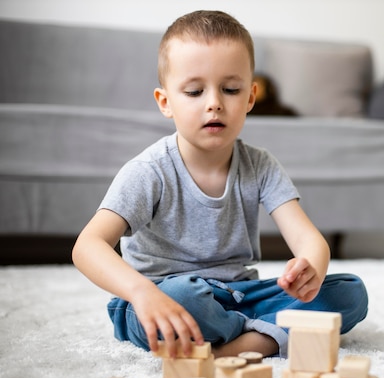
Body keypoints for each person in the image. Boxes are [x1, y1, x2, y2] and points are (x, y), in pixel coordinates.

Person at [72, 10, 368, 359]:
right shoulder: (149, 171)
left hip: (239, 295)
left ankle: (233, 344)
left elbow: (307, 239)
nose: (214, 103)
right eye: (195, 91)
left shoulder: (260, 165)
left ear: (250, 99)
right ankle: (267, 336)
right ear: (165, 102)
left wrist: (311, 266)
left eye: (230, 89)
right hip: (162, 300)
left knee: (349, 292)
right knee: (184, 298)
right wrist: (141, 293)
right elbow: (87, 247)